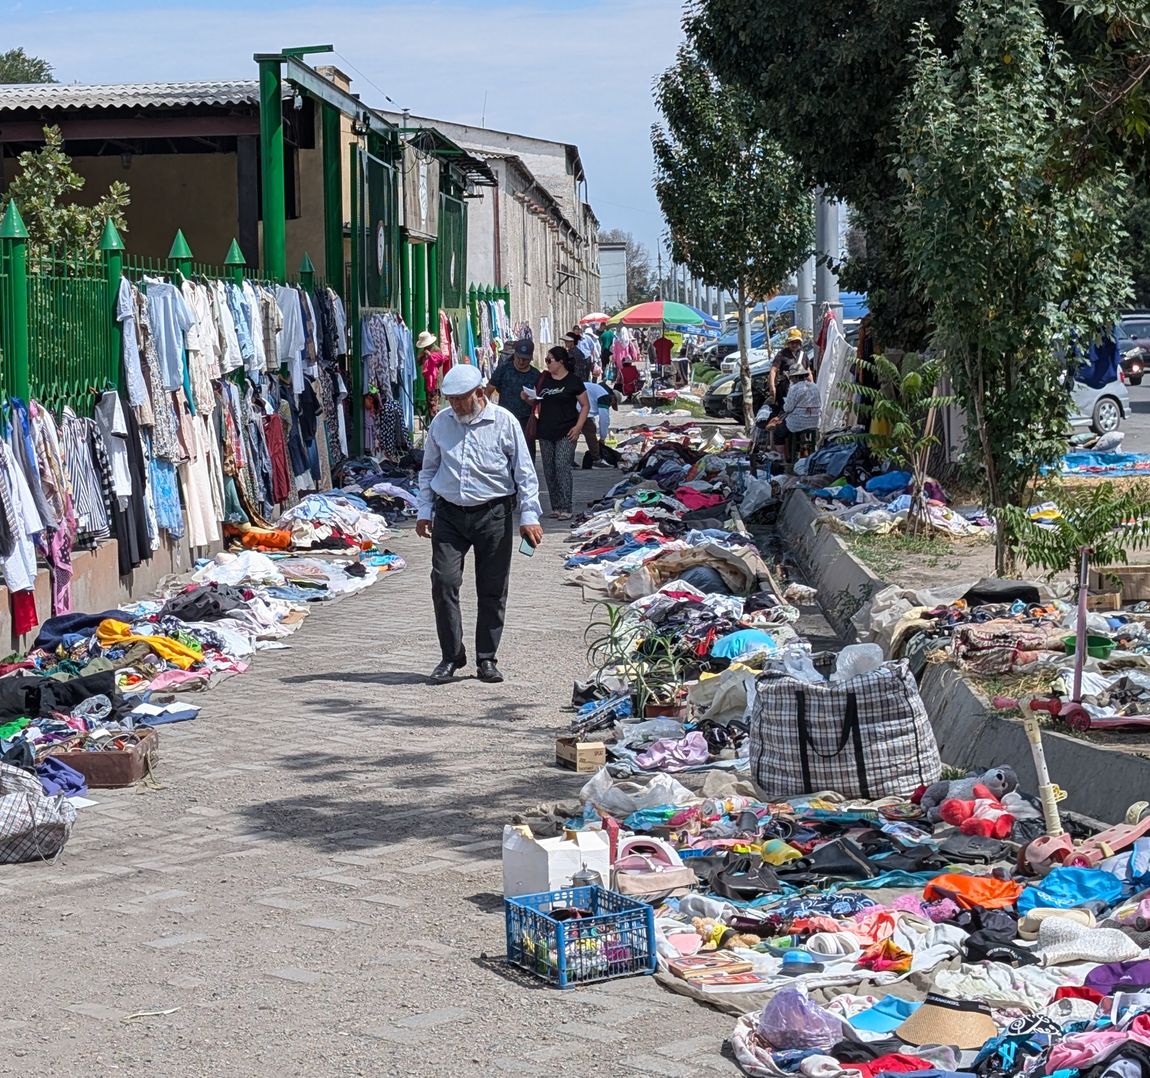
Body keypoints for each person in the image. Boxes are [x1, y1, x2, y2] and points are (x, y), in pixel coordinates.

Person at [416, 364, 543, 685]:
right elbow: (428, 469)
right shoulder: (441, 423)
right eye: (450, 400)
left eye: (461, 399)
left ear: (479, 393)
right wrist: (424, 510)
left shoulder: (504, 422)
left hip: (493, 514)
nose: (455, 406)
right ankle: (451, 656)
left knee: (492, 588)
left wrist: (529, 516)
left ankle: (486, 658)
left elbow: (524, 472)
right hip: (449, 515)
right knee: (443, 581)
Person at [531, 346, 590, 521]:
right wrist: (528, 399)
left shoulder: (573, 381)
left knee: (562, 466)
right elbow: (536, 403)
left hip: (567, 430)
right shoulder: (543, 380)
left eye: (550, 360)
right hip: (545, 430)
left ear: (560, 361)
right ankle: (556, 506)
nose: (547, 364)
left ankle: (566, 507)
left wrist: (578, 427)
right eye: (546, 360)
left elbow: (585, 405)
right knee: (549, 470)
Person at [488, 339, 540, 459]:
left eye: (525, 359)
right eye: (518, 358)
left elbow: (538, 403)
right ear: (514, 355)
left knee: (526, 454)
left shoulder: (536, 375)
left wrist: (528, 400)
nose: (521, 362)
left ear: (531, 358)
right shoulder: (504, 369)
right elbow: (489, 390)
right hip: (504, 419)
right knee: (503, 454)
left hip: (525, 421)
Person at [768, 327, 806, 416]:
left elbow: (808, 372)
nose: (794, 344)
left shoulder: (803, 355)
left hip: (801, 388)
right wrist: (772, 386)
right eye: (792, 342)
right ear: (788, 343)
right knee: (785, 410)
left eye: (797, 342)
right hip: (786, 388)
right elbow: (773, 370)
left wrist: (812, 386)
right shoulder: (782, 354)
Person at [417, 330, 451, 416]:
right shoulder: (425, 351)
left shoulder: (436, 350)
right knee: (429, 404)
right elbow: (419, 362)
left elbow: (439, 362)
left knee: (434, 405)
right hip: (428, 382)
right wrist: (423, 356)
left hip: (435, 382)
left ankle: (434, 419)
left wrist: (430, 356)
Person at [581, 380, 613, 469]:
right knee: (590, 432)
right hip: (579, 408)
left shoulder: (598, 390)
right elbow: (604, 419)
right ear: (612, 397)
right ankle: (596, 460)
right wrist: (602, 437)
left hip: (576, 407)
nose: (610, 406)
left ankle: (568, 460)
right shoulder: (604, 396)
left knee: (573, 435)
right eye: (612, 403)